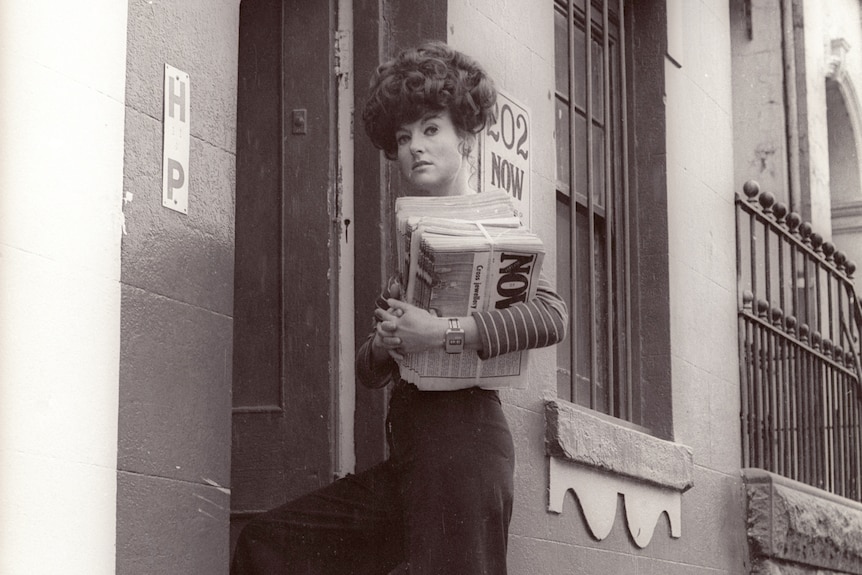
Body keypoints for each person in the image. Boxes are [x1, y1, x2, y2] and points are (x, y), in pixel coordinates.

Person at [231, 41, 568, 575]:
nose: (415, 147)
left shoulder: (497, 226)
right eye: (404, 137)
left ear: (467, 137)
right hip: (410, 454)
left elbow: (552, 317)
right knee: (271, 545)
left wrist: (442, 332)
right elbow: (368, 371)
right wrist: (386, 343)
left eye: (431, 129)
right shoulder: (409, 236)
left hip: (466, 447)